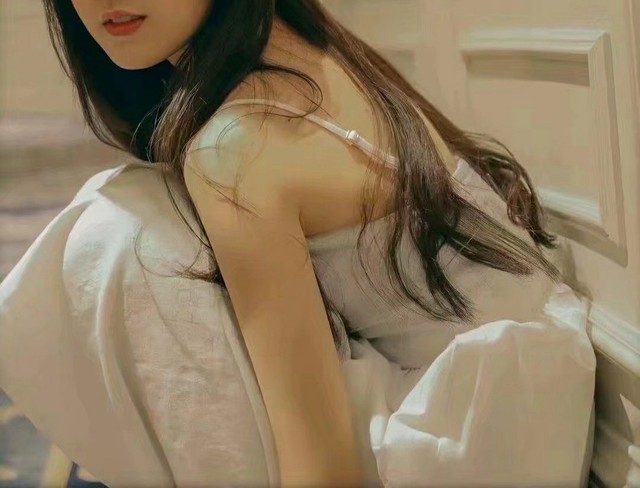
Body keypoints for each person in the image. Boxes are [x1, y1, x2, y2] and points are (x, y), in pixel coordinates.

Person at [0, 1, 596, 487]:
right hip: (527, 408)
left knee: (110, 231)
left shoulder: (236, 147)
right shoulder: (307, 47)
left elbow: (325, 471)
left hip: (470, 448)